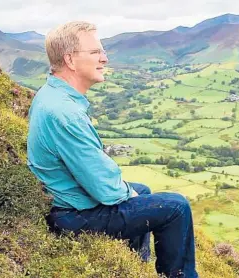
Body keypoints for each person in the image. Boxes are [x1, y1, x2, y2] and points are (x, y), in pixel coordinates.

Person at [26, 21, 198, 278]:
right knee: (176, 207)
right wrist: (129, 196)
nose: (104, 58)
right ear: (70, 60)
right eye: (95, 52)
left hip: (68, 202)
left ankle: (134, 267)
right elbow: (104, 188)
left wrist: (131, 195)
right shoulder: (65, 113)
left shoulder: (53, 95)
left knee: (143, 191)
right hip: (72, 215)